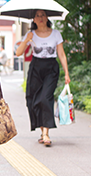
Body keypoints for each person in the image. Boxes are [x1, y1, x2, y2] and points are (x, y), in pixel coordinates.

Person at [15, 9, 70, 147]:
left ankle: (46, 133)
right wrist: (26, 40)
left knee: (45, 98)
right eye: (37, 16)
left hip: (51, 68)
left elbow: (61, 54)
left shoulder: (56, 34)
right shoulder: (31, 34)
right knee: (33, 100)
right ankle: (42, 131)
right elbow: (18, 53)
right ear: (33, 19)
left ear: (47, 18)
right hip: (36, 68)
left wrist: (67, 73)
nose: (40, 18)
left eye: (43, 15)